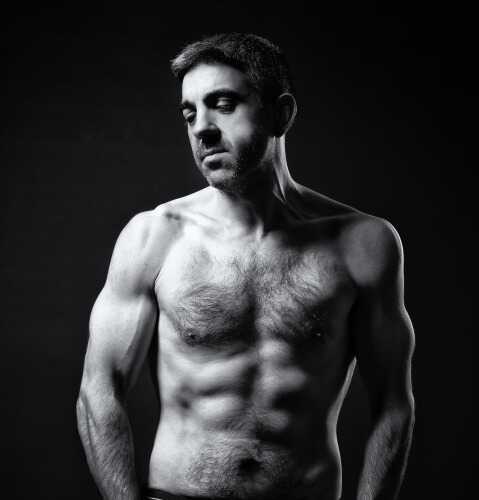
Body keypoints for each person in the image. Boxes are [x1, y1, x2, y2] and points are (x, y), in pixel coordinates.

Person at [76, 33, 415, 500]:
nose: (202, 128)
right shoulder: (154, 237)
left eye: (223, 104)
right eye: (189, 113)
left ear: (281, 114)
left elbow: (393, 406)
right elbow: (99, 391)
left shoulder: (364, 244)